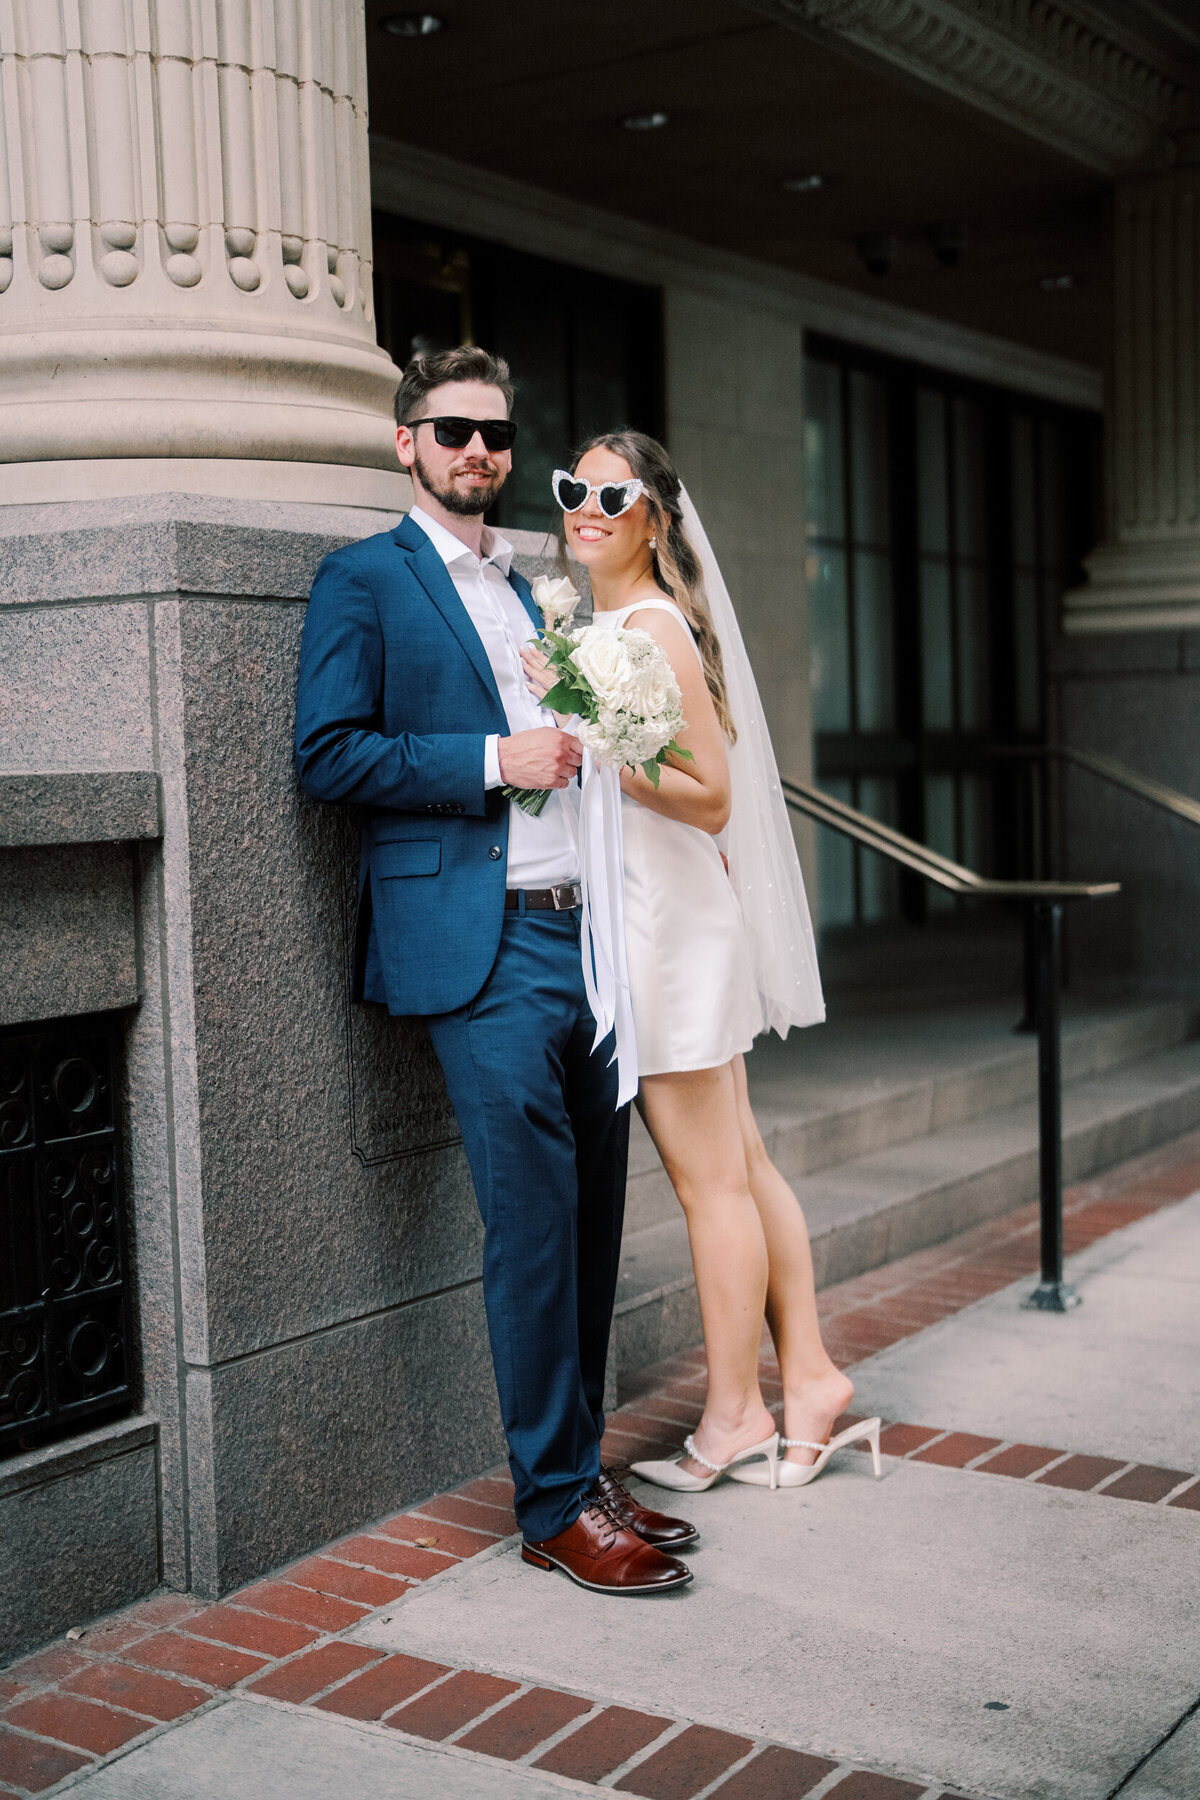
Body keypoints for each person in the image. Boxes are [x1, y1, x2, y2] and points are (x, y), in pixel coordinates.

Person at [295, 350, 695, 1590]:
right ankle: (553, 1508)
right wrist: (489, 761)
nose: (478, 449)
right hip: (480, 947)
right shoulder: (364, 579)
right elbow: (328, 753)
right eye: (452, 429)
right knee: (531, 1227)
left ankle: (584, 1470)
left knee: (588, 1228)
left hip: (587, 943)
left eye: (497, 434)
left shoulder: (535, 592)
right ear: (404, 442)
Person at [525, 431, 882, 1492]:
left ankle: (734, 1417)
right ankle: (810, 1376)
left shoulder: (647, 630)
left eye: (611, 493)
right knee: (747, 1166)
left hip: (667, 929)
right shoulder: (632, 623)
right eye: (571, 489)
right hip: (676, 917)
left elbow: (709, 795)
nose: (585, 507)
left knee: (708, 1185)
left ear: (655, 516)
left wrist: (587, 721)